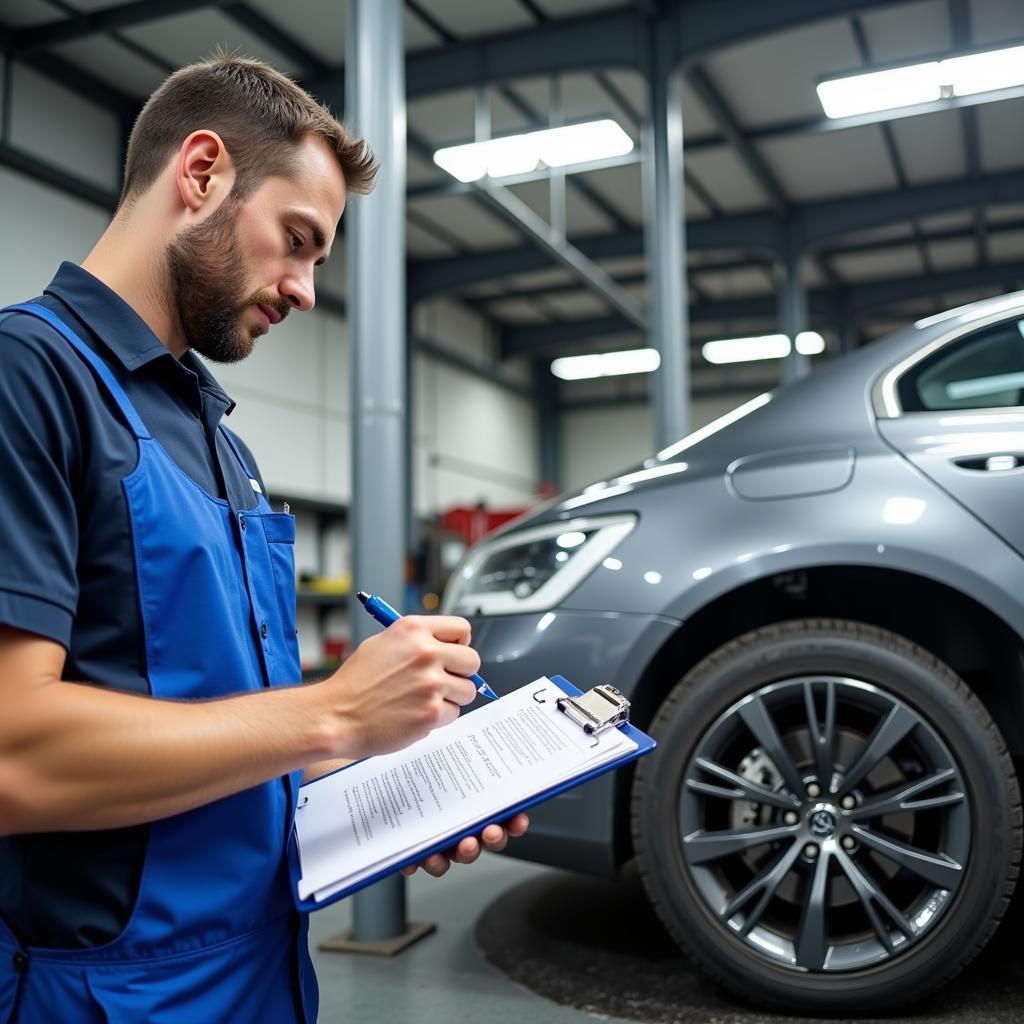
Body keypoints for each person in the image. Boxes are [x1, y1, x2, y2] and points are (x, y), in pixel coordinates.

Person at [0, 53, 527, 1023]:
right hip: (112, 993)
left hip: (266, 972)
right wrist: (333, 711)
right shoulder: (26, 380)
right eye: (296, 240)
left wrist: (395, 766)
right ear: (199, 173)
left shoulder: (222, 442)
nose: (306, 289)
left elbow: (222, 722)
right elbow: (12, 755)